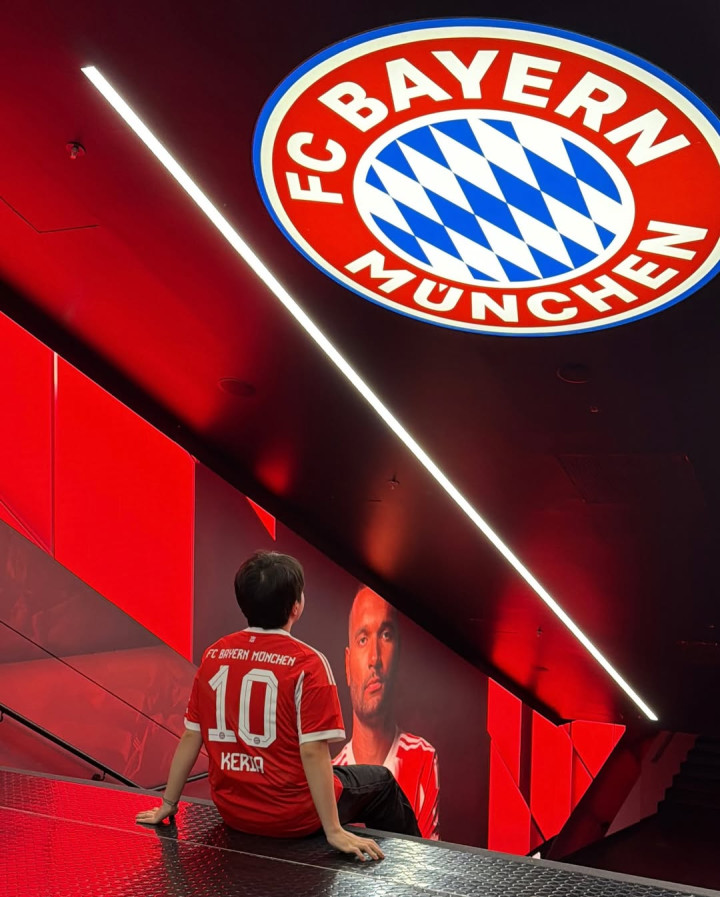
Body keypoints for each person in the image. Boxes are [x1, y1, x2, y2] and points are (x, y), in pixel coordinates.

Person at [135, 551, 419, 860]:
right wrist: (333, 830)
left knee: (334, 772)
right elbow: (313, 752)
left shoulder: (214, 655)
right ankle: (420, 870)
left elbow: (192, 735)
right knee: (382, 781)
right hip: (293, 817)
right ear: (296, 606)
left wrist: (168, 803)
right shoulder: (308, 663)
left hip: (234, 812)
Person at [334, 587, 440, 840]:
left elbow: (427, 858)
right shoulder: (332, 775)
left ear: (399, 653)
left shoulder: (422, 757)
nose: (375, 658)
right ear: (347, 665)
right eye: (363, 639)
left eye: (385, 635)